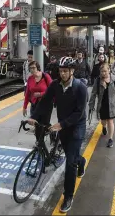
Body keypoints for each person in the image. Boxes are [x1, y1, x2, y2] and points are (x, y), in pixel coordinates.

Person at [27, 56, 88, 213]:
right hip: (63, 126)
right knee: (72, 156)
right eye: (60, 71)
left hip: (76, 126)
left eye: (65, 71)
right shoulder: (55, 85)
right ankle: (81, 162)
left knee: (69, 163)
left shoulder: (80, 88)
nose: (62, 74)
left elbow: (79, 114)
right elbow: (45, 102)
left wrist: (61, 124)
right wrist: (34, 117)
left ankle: (68, 196)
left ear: (72, 71)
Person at [89, 63, 115, 147]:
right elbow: (93, 94)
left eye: (105, 71)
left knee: (110, 121)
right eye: (101, 71)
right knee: (103, 121)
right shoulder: (97, 80)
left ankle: (110, 139)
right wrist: (91, 105)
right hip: (102, 104)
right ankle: (104, 127)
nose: (103, 73)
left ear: (109, 70)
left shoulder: (114, 80)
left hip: (111, 104)